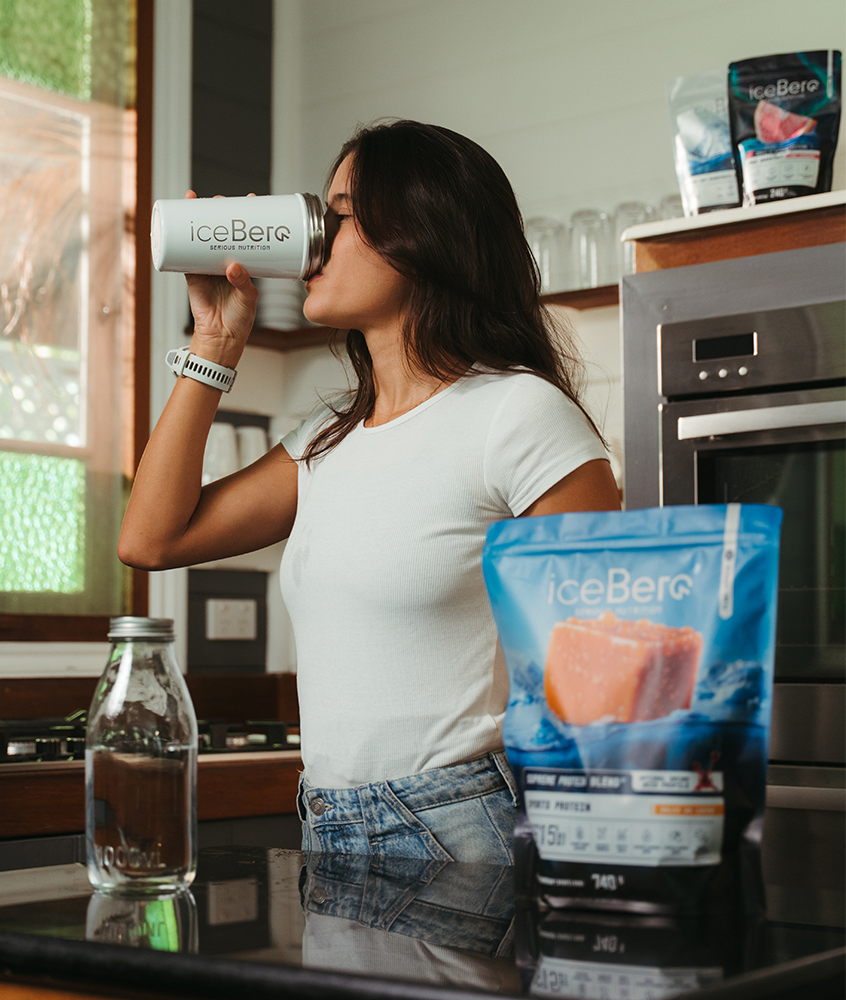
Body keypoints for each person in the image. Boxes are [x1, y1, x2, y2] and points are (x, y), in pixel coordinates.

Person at [117, 119, 621, 864]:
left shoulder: (516, 413)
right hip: (328, 818)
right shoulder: (325, 439)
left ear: (424, 232)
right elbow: (150, 541)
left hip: (462, 824)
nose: (314, 239)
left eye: (341, 213)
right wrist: (214, 344)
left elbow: (599, 670)